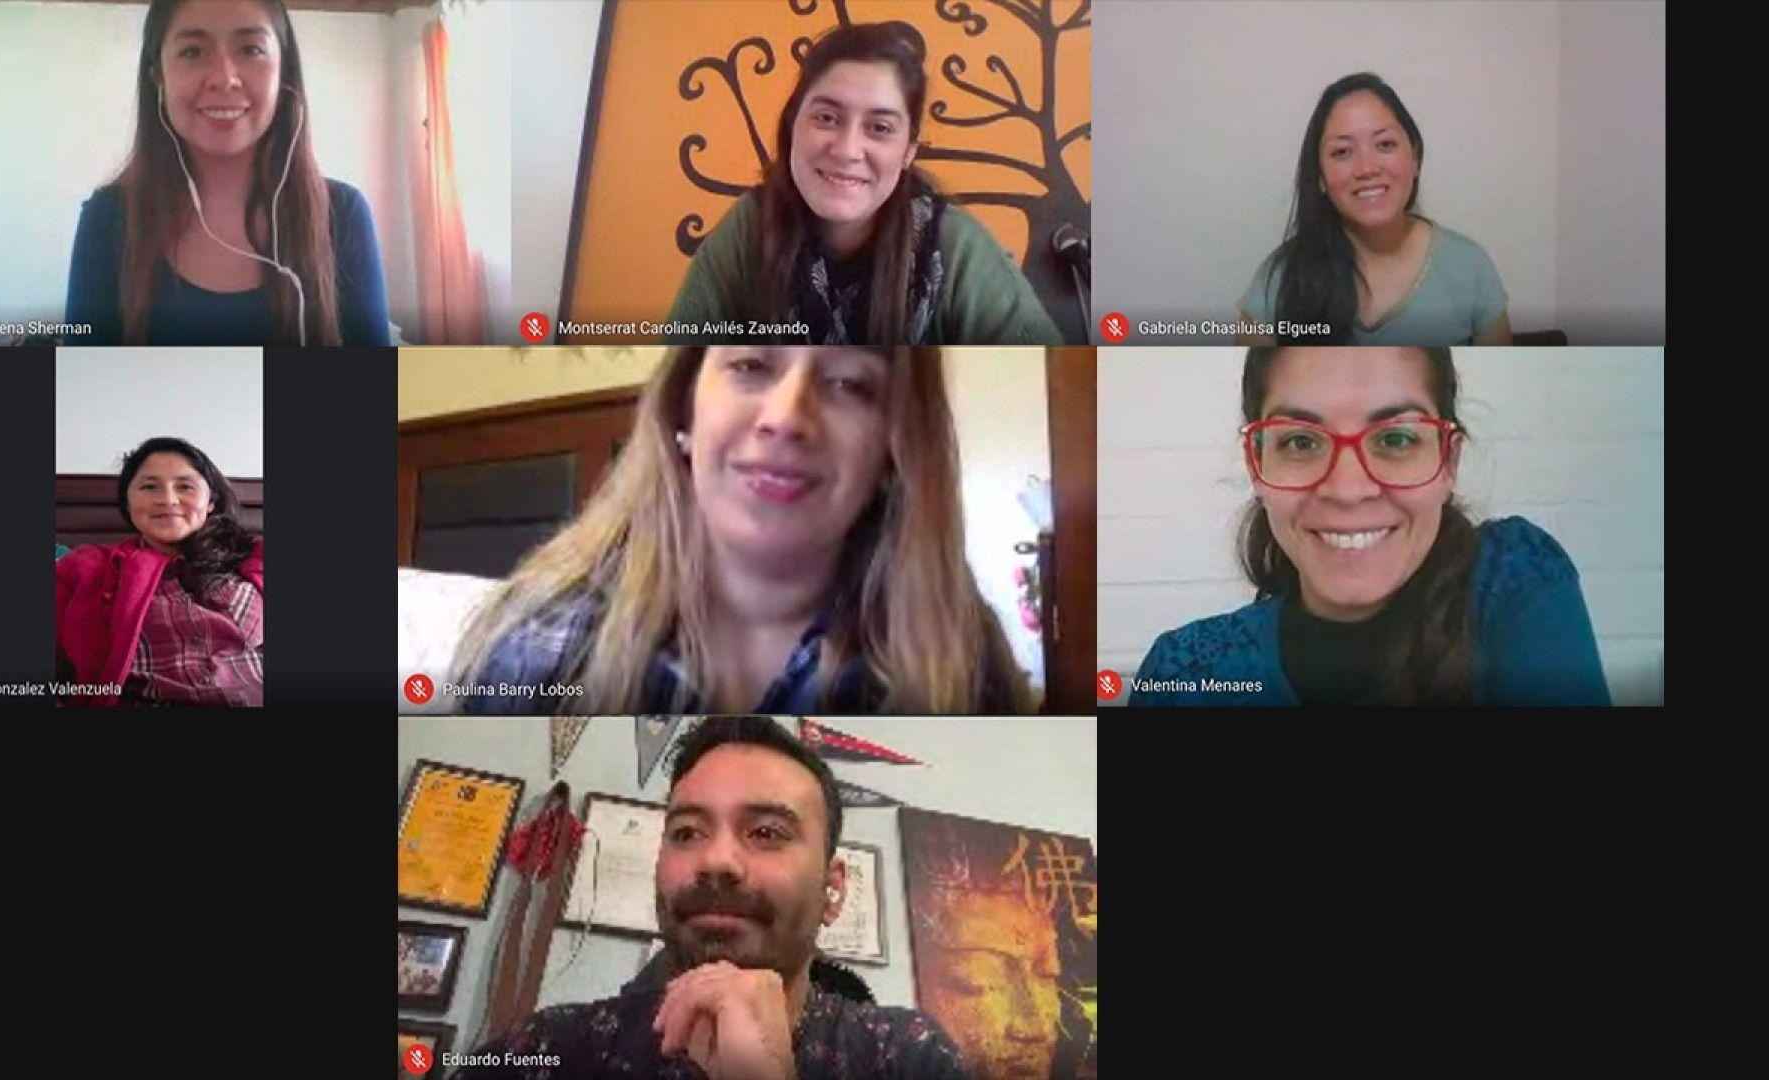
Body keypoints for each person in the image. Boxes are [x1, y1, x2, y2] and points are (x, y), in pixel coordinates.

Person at [455, 345, 1032, 715]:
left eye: (850, 383)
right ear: (683, 412)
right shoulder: (541, 648)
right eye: (751, 365)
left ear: (893, 450)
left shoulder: (962, 665)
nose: (786, 417)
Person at [460, 716, 973, 1080]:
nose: (716, 860)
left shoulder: (908, 1058)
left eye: (767, 832)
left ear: (833, 889)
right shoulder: (548, 1050)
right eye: (686, 833)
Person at [1131, 346, 1610, 706]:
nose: (1347, 489)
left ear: (1448, 462)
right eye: (1300, 442)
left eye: (1395, 439)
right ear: (1256, 465)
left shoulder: (1513, 582)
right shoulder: (1184, 673)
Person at [666, 22, 1060, 346]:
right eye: (826, 118)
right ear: (792, 126)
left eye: (880, 128)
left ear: (908, 152)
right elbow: (679, 373)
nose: (847, 150)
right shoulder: (750, 228)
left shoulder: (957, 247)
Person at [64, 0, 389, 346]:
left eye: (251, 49)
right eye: (192, 52)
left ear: (284, 71)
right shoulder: (108, 219)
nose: (224, 79)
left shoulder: (342, 215)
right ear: (157, 74)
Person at [1237, 73, 1511, 347]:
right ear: (1320, 175)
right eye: (1342, 152)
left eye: (1385, 145)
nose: (1367, 168)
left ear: (1415, 158)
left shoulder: (1470, 268)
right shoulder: (1281, 278)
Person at [56, 436, 264, 706]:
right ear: (127, 502)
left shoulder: (253, 558)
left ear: (210, 502)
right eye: (149, 487)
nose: (168, 499)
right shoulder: (85, 568)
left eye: (185, 486)